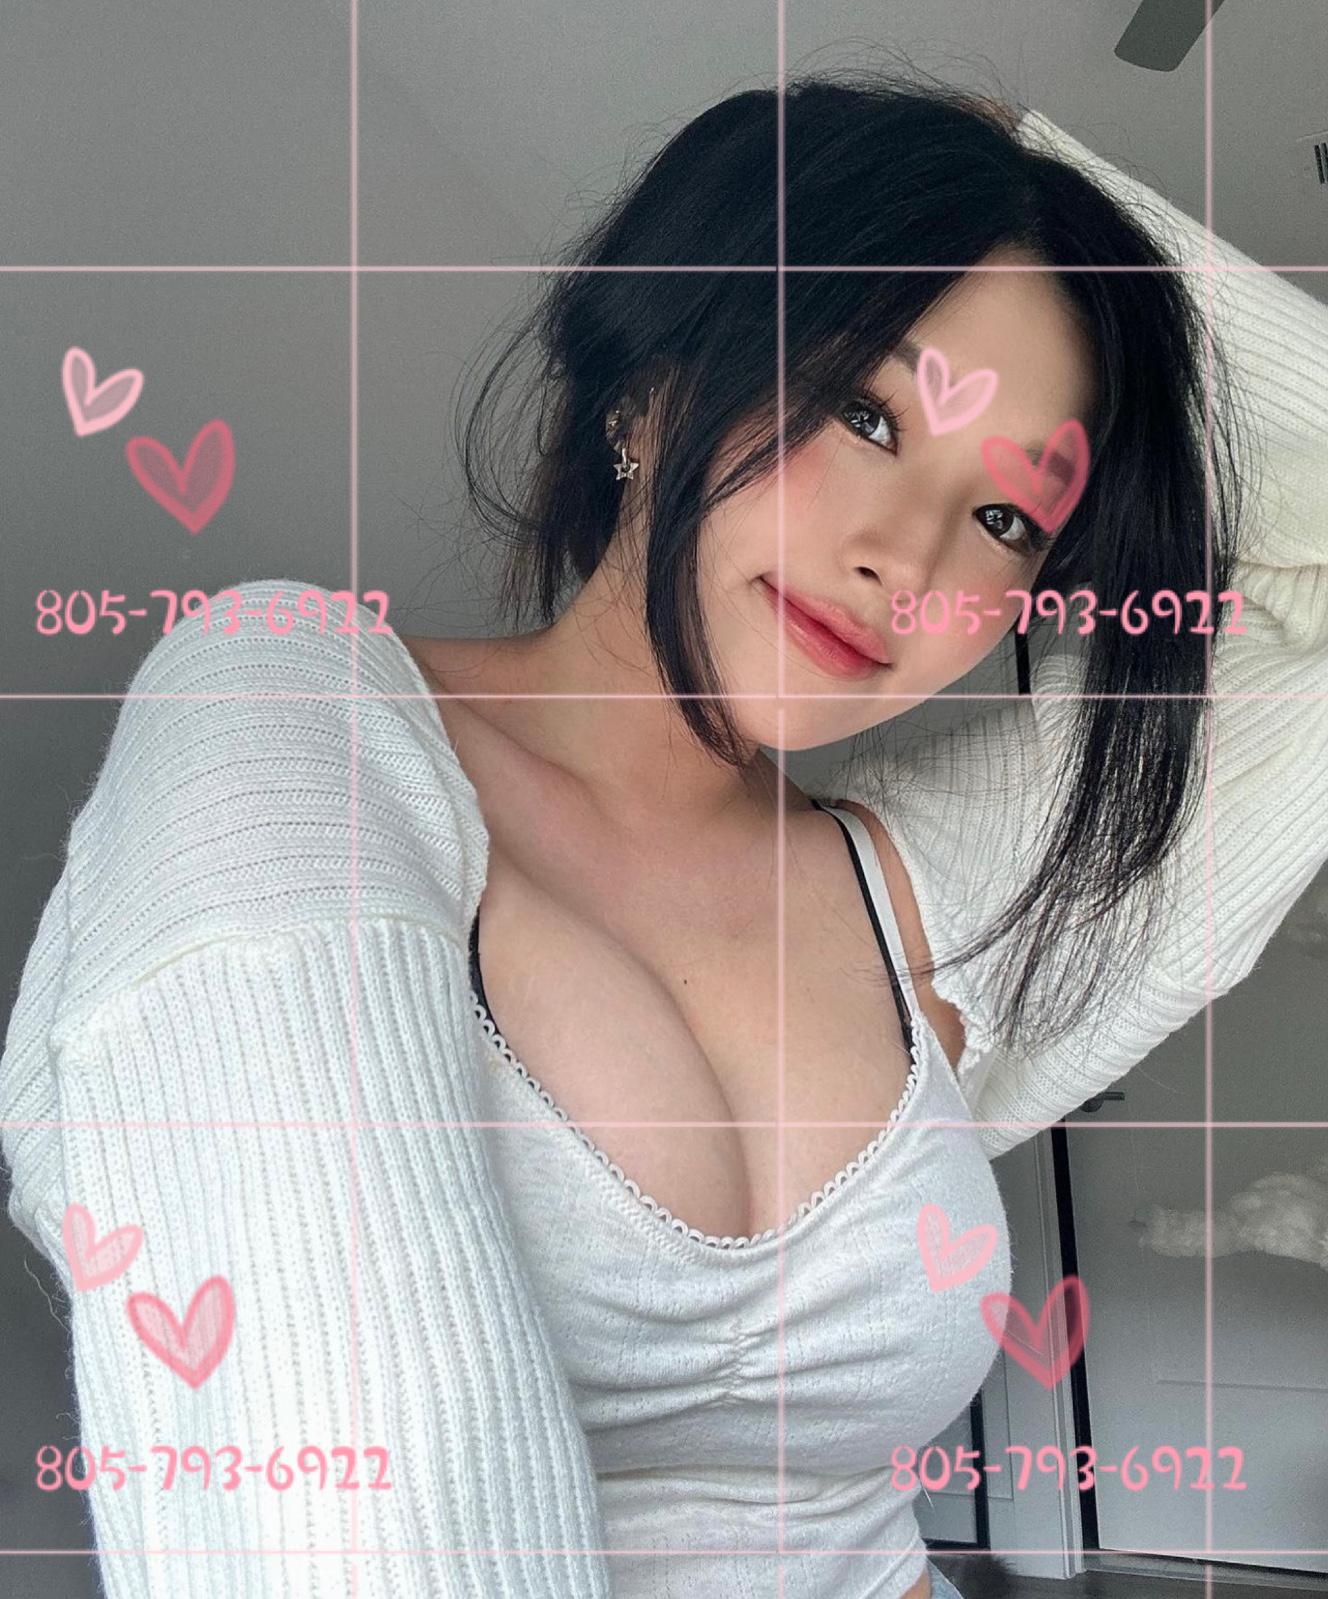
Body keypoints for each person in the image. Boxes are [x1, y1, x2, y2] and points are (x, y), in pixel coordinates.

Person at [3, 72, 1326, 1599]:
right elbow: (356, 1526)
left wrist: (1060, 200)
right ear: (649, 383)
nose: (906, 558)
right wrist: (955, 175)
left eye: (1008, 520)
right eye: (864, 412)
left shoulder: (921, 893)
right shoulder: (286, 705)